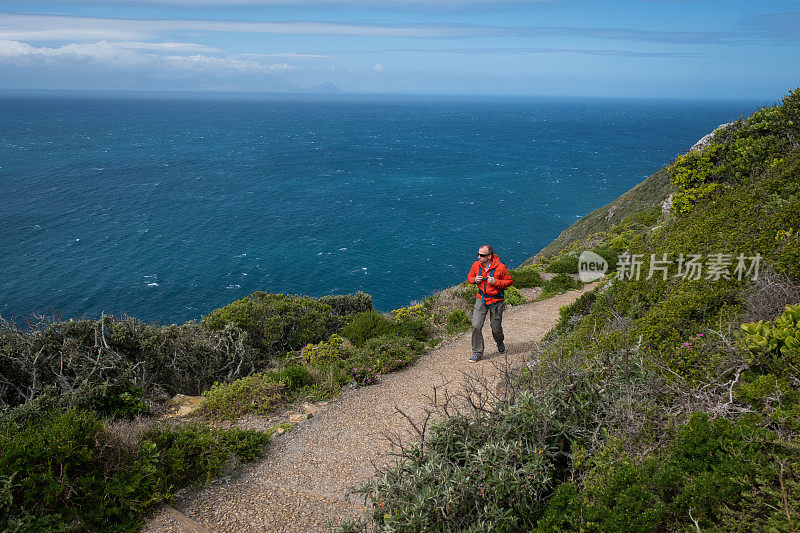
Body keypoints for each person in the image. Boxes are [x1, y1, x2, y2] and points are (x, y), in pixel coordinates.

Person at [466, 245, 513, 362]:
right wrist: (474, 280)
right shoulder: (476, 265)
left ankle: (499, 341)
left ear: (489, 256)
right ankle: (477, 352)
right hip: (481, 298)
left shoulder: (501, 267)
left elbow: (509, 281)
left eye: (482, 255)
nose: (478, 257)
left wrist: (496, 282)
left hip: (496, 301)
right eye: (478, 254)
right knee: (476, 325)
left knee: (495, 327)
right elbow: (470, 277)